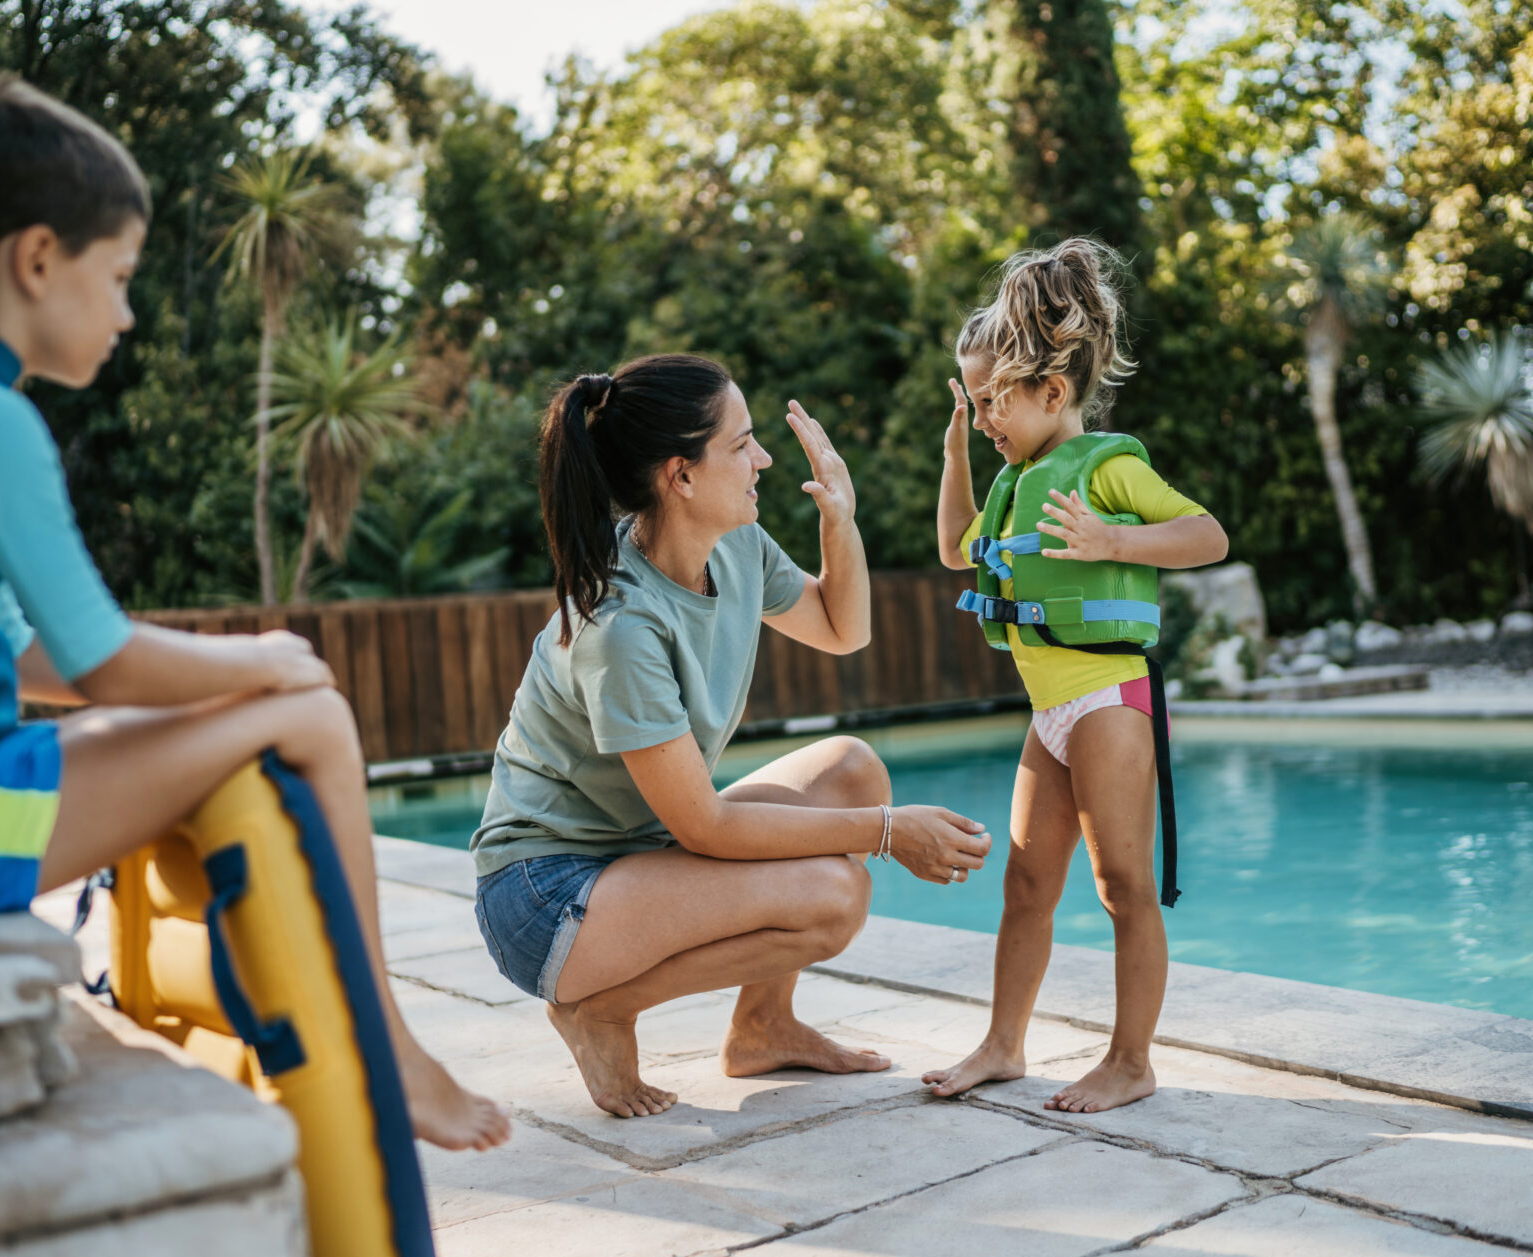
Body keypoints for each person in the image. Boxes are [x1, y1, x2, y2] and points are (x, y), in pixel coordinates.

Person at [0, 72, 508, 1153]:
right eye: (117, 277)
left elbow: (25, 651)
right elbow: (100, 657)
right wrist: (265, 659)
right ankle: (384, 1040)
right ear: (35, 260)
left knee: (234, 707)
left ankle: (293, 996)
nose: (124, 312)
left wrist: (238, 672)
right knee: (315, 715)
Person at [473, 354, 993, 1118]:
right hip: (545, 896)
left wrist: (839, 523)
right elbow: (704, 825)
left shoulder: (734, 545)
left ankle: (762, 1026)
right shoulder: (619, 626)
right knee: (834, 896)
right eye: (742, 443)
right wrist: (888, 834)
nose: (765, 459)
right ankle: (600, 1009)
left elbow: (843, 630)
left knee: (852, 767)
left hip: (634, 855)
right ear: (680, 476)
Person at [924, 240, 1228, 1114]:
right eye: (974, 404)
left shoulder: (1105, 468)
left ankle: (1132, 1060)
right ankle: (1003, 1045)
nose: (984, 417)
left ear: (1050, 393)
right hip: (1049, 709)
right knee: (1025, 883)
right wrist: (958, 451)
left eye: (991, 403)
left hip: (1107, 699)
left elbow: (1207, 534)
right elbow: (954, 550)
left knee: (1122, 886)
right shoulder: (1016, 478)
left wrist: (1117, 541)